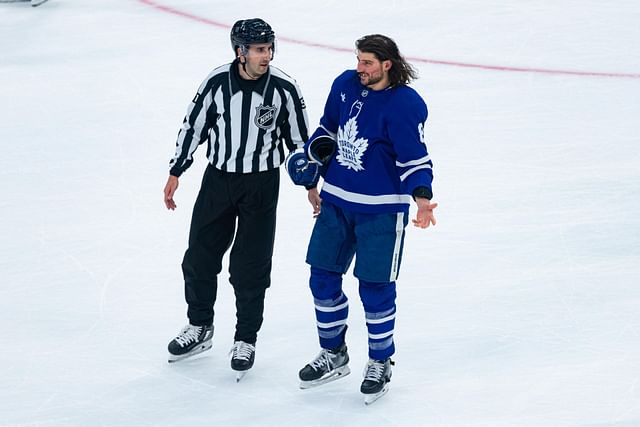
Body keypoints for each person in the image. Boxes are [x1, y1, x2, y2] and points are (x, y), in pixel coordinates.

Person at [286, 34, 437, 404]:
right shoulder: (344, 85)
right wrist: (311, 165)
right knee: (321, 278)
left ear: (387, 64)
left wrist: (422, 200)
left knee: (375, 288)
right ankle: (334, 353)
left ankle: (380, 361)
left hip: (382, 211)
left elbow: (415, 159)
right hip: (336, 202)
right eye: (358, 60)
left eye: (367, 62)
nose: (360, 69)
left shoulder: (405, 105)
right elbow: (327, 131)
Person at [164, 18, 310, 380]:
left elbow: (300, 142)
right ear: (239, 51)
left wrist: (310, 185)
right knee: (199, 256)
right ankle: (199, 325)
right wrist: (176, 170)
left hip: (261, 184)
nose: (267, 56)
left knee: (250, 266)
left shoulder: (284, 89)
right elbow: (193, 125)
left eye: (269, 48)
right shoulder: (216, 82)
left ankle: (245, 338)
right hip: (219, 181)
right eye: (259, 49)